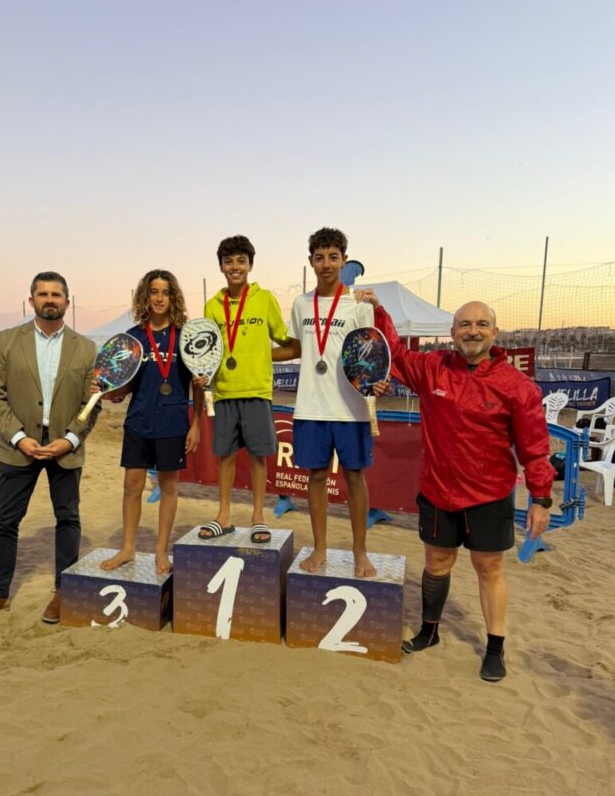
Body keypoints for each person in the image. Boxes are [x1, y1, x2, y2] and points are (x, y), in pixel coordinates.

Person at [367, 292, 554, 682]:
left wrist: (540, 498)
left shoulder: (516, 386)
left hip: (489, 494)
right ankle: (429, 631)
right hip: (437, 489)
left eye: (481, 324)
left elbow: (535, 448)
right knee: (437, 562)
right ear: (452, 333)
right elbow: (396, 356)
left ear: (495, 332)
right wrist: (377, 310)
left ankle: (495, 648)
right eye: (465, 325)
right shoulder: (432, 368)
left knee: (489, 567)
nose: (473, 331)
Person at [0, 272, 99, 627]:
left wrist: (69, 439)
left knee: (67, 520)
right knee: (5, 522)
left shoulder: (85, 348)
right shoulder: (9, 341)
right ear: (31, 301)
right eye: (43, 294)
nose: (49, 299)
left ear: (68, 302)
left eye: (56, 294)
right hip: (18, 449)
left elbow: (92, 403)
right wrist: (19, 438)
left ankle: (64, 590)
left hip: (64, 449)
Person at [274, 227, 378, 577]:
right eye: (319, 258)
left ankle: (360, 552)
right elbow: (297, 348)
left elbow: (371, 353)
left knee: (355, 478)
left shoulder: (360, 306)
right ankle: (320, 548)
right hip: (310, 407)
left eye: (333, 257)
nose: (326, 264)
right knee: (316, 477)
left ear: (344, 261)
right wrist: (258, 352)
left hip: (351, 408)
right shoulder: (301, 303)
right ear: (310, 262)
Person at [97, 269, 203, 575]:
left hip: (173, 423)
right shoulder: (133, 338)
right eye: (154, 292)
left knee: (169, 486)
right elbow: (123, 384)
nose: (159, 298)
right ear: (145, 296)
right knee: (132, 485)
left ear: (174, 298)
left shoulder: (185, 337)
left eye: (165, 292)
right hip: (139, 422)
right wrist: (109, 393)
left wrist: (195, 425)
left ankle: (160, 551)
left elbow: (197, 385)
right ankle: (128, 548)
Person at [199, 235, 289, 544]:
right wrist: (203, 373)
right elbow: (207, 350)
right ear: (221, 267)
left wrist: (265, 355)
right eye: (229, 261)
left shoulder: (264, 300)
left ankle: (258, 518)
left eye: (241, 260)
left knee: (257, 456)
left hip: (256, 391)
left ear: (250, 265)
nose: (235, 266)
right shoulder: (212, 305)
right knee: (225, 456)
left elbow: (284, 341)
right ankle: (223, 516)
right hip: (224, 391)